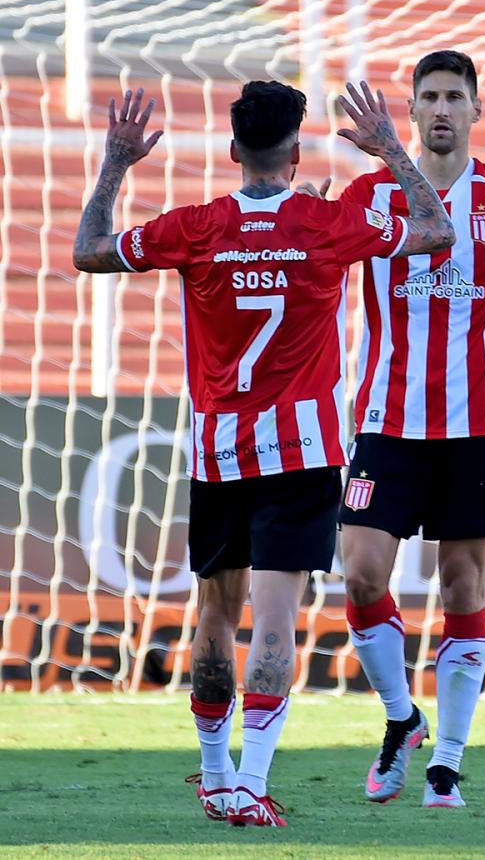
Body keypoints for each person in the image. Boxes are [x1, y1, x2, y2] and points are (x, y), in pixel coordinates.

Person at [72, 81, 454, 826]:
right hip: (300, 451)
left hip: (219, 451)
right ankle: (249, 782)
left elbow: (88, 250)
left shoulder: (199, 225)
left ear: (231, 151)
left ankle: (217, 778)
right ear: (297, 150)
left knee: (216, 611)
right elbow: (437, 230)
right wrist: (389, 148)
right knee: (276, 615)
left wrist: (117, 162)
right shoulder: (327, 223)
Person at [330, 50, 485, 810]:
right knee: (362, 573)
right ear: (410, 111)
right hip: (386, 422)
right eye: (428, 97)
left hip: (479, 426)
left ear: (476, 109)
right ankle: (404, 720)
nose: (441, 109)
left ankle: (448, 763)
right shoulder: (369, 195)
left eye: (453, 97)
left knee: (463, 584)